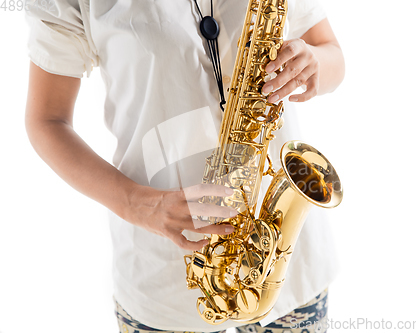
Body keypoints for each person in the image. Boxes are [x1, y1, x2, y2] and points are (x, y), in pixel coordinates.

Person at [24, 0, 345, 332]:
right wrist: (133, 202)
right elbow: (46, 120)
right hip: (165, 276)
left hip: (285, 258)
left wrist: (314, 62)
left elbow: (332, 54)